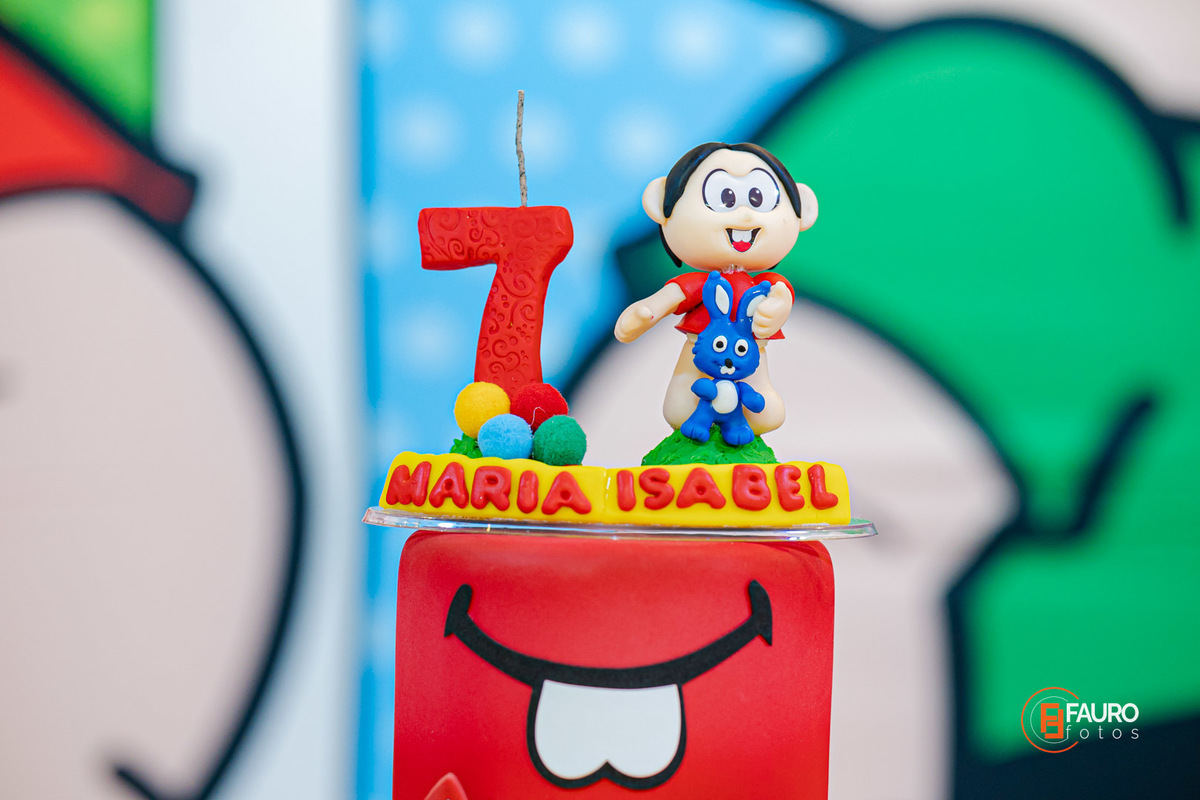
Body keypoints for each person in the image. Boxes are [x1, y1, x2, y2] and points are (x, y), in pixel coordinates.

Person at [614, 142, 817, 435]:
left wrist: (777, 308)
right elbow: (671, 296)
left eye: (757, 198)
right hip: (699, 348)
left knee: (764, 410)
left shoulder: (767, 285)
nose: (745, 214)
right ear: (660, 205)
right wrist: (646, 312)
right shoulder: (703, 284)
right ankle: (689, 399)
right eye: (725, 198)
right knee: (681, 404)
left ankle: (754, 402)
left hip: (751, 354)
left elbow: (781, 295)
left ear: (804, 211)